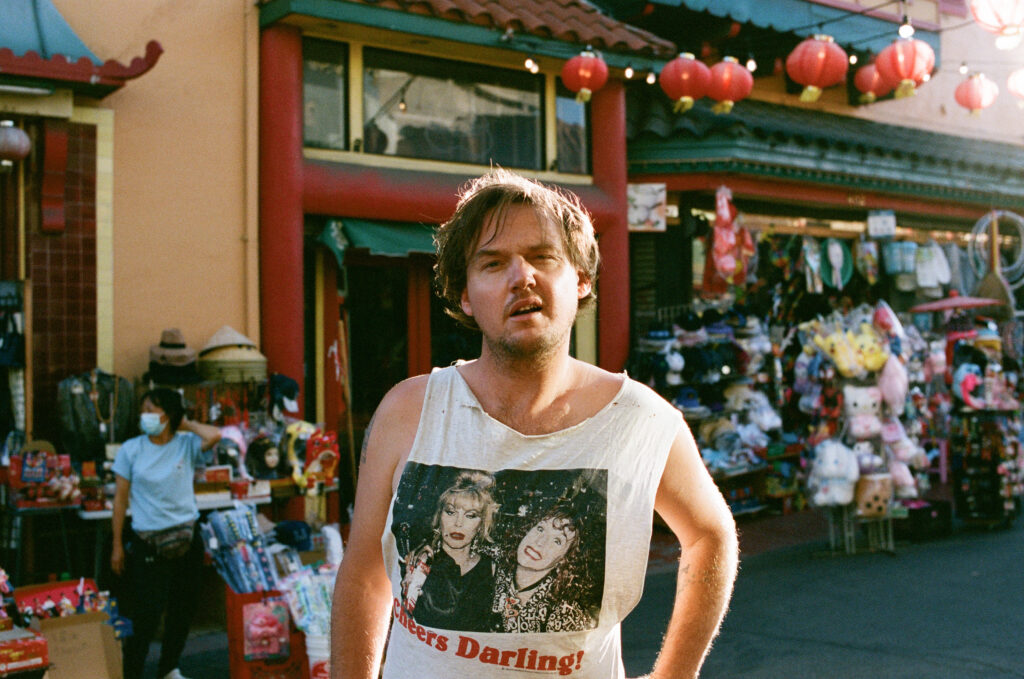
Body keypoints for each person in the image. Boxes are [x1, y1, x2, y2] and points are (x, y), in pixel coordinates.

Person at [331, 169, 738, 679]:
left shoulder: (643, 422)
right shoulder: (408, 411)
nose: (520, 276)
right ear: (464, 296)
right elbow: (365, 573)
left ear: (582, 280)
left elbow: (711, 534)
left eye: (543, 257)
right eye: (493, 263)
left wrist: (674, 675)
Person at [110, 388, 221, 679]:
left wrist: (185, 423)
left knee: (182, 610)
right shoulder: (131, 449)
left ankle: (169, 667)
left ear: (168, 415)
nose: (144, 415)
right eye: (143, 409)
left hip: (187, 539)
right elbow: (120, 500)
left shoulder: (186, 444)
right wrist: (117, 545)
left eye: (151, 410)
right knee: (146, 614)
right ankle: (132, 671)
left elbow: (215, 436)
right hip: (148, 543)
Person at [400, 469, 498, 632]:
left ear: (481, 524)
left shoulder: (492, 568)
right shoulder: (420, 564)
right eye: (451, 512)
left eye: (471, 515)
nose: (458, 523)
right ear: (439, 516)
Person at [491, 501, 598, 633]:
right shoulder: (490, 564)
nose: (539, 542)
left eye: (557, 541)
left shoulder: (564, 616)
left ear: (565, 559)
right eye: (540, 529)